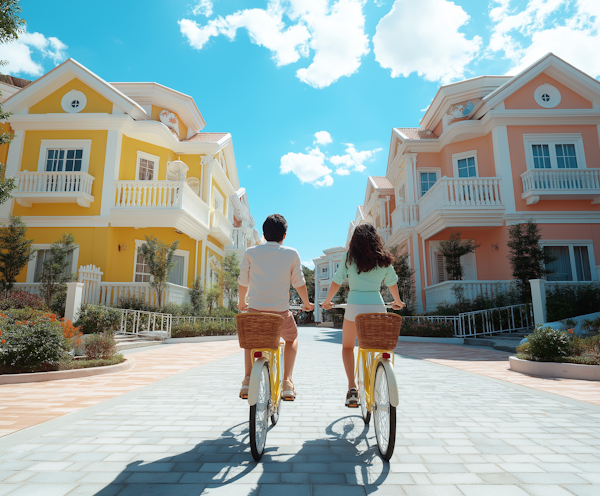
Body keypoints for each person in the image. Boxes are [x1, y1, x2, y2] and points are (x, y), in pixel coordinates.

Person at [320, 223, 405, 407]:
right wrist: (397, 301)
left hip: (354, 307)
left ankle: (352, 387)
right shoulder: (383, 259)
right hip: (377, 307)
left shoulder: (348, 258)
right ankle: (378, 373)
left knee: (348, 347)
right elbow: (392, 283)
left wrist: (327, 301)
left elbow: (336, 281)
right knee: (376, 347)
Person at [237, 214, 314, 401]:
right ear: (284, 235)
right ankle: (287, 381)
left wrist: (241, 303)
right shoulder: (291, 253)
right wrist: (306, 303)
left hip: (255, 313)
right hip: (280, 316)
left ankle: (247, 379)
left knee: (250, 340)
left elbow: (243, 282)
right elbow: (299, 283)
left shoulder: (250, 253)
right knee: (292, 338)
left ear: (263, 234)